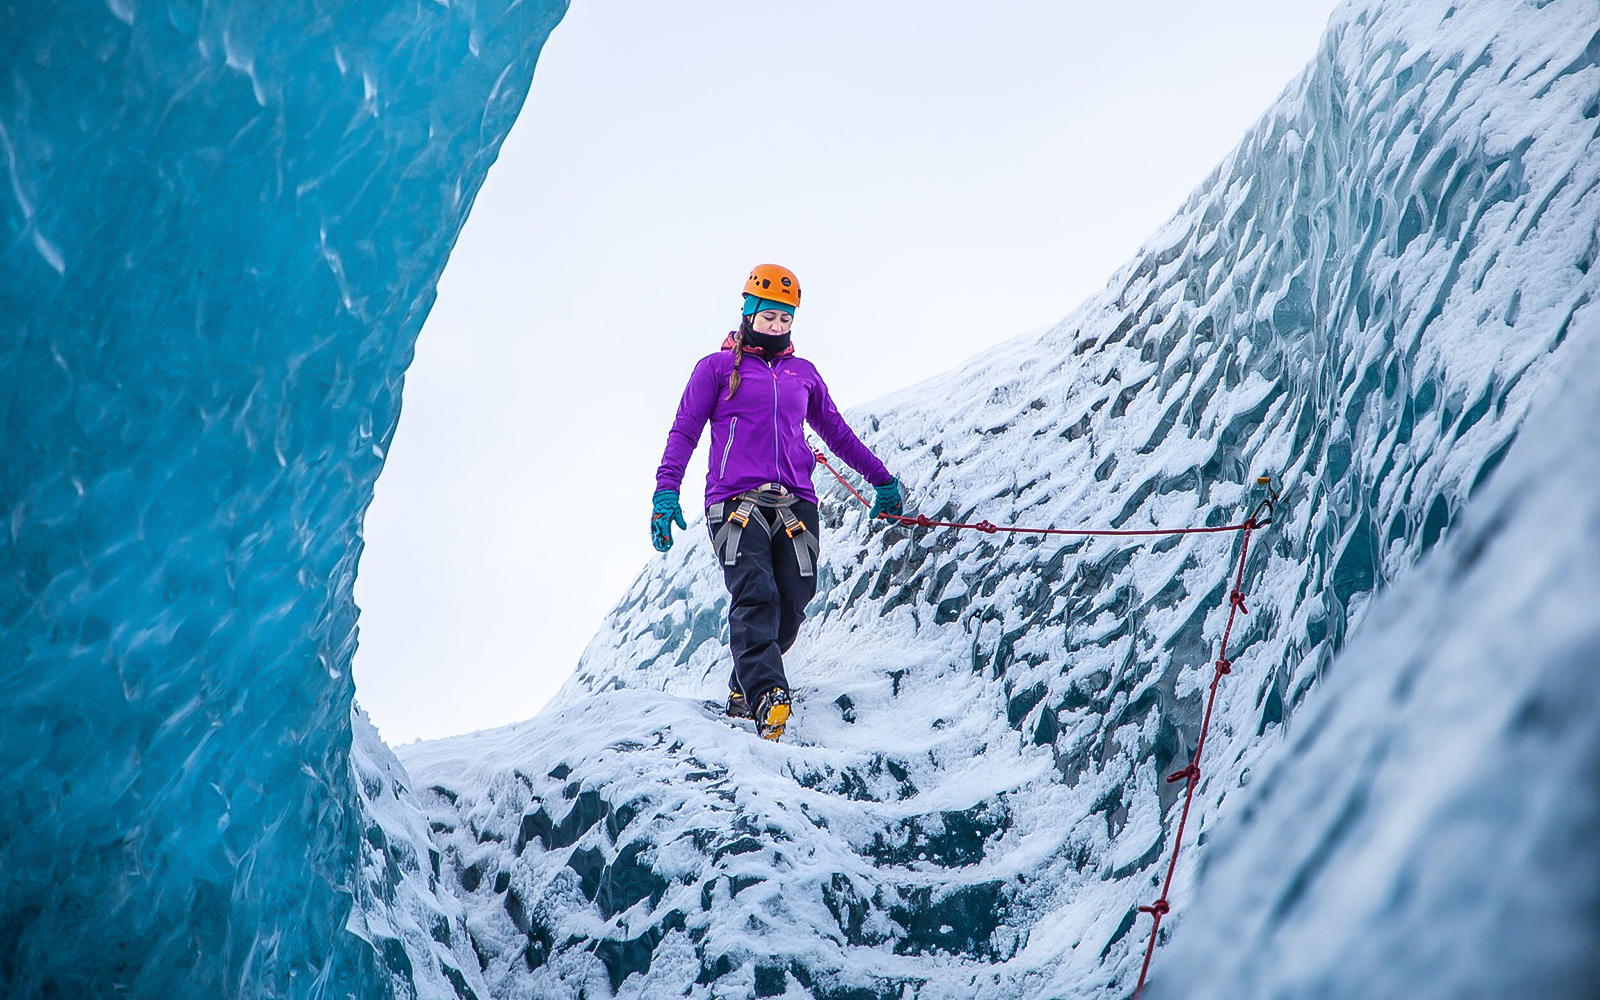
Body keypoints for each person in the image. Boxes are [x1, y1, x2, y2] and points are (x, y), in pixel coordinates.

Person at [650, 264, 904, 741]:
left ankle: (743, 688)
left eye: (785, 320)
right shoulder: (716, 369)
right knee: (756, 592)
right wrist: (666, 490)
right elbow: (684, 430)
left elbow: (836, 433)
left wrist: (880, 480)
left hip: (796, 504)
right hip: (732, 502)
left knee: (793, 601)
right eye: (768, 317)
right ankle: (769, 695)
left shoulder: (801, 375)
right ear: (748, 312)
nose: (776, 327)